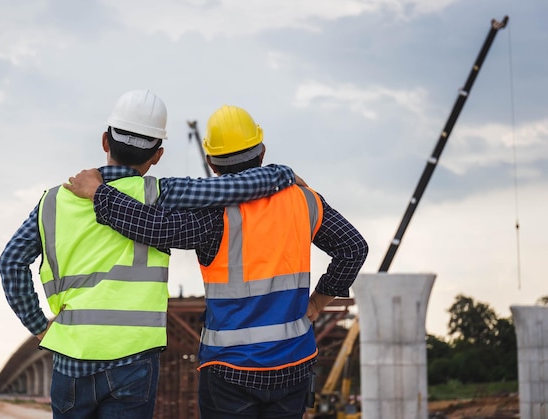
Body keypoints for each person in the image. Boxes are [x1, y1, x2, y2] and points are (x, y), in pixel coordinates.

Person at [0, 92, 300, 419]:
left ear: (104, 141)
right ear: (157, 155)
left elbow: (11, 261)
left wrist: (40, 327)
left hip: (72, 355)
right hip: (134, 358)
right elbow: (231, 188)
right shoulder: (161, 193)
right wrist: (281, 174)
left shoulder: (55, 201)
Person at [65, 105, 369, 419]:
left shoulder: (214, 213)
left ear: (211, 163)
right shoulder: (306, 200)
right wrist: (318, 302)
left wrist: (101, 194)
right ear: (262, 151)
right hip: (293, 365)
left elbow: (155, 227)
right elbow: (353, 248)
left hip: (228, 370)